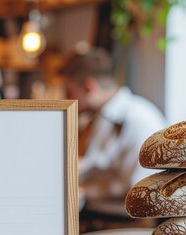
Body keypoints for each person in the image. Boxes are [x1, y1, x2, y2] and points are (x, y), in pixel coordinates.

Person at [61, 48, 167, 201]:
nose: (67, 99)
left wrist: (83, 190)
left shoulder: (137, 117)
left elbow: (139, 187)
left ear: (88, 87)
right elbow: (96, 163)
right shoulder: (102, 115)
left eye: (69, 92)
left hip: (131, 220)